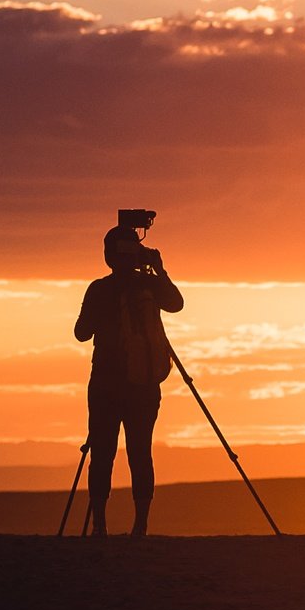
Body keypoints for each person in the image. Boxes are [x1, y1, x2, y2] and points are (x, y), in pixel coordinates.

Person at [73, 216, 185, 537]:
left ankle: (100, 525)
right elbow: (176, 304)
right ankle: (141, 525)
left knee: (103, 452)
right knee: (141, 451)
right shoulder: (149, 285)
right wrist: (159, 271)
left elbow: (81, 333)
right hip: (144, 386)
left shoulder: (99, 289)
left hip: (106, 384)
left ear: (109, 255)